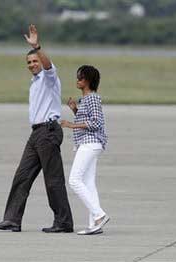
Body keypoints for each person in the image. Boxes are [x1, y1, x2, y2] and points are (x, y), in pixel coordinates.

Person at [0, 24, 73, 233]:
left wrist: (37, 47)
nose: (32, 64)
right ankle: (12, 220)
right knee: (22, 176)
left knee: (53, 180)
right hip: (37, 133)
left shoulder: (49, 77)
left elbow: (47, 65)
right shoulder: (34, 81)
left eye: (34, 60)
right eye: (29, 62)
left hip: (48, 131)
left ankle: (63, 222)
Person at [60, 65, 109, 235]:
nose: (77, 80)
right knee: (88, 183)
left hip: (90, 143)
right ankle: (95, 224)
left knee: (74, 180)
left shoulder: (93, 98)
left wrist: (71, 124)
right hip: (88, 143)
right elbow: (87, 120)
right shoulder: (86, 99)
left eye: (80, 78)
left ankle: (99, 214)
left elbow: (96, 123)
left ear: (88, 81)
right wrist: (75, 110)